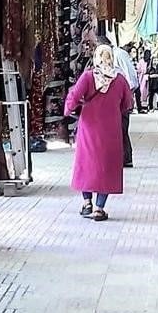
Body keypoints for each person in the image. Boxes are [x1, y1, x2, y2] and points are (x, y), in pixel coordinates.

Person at [64, 44, 133, 221]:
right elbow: (128, 104)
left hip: (88, 128)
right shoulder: (119, 80)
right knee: (106, 167)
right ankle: (99, 208)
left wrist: (68, 110)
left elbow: (73, 96)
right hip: (111, 130)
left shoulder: (88, 77)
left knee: (86, 164)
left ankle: (87, 203)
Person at [97, 34, 139, 168]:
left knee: (121, 128)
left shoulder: (119, 54)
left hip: (121, 98)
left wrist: (126, 96)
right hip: (113, 100)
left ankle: (126, 158)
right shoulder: (103, 62)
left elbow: (132, 78)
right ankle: (117, 158)